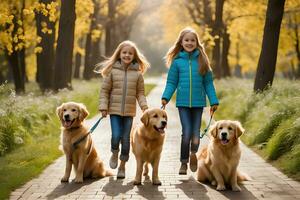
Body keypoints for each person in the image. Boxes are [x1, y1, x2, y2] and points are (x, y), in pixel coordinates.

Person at [161, 27, 219, 175]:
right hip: (183, 104)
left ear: (197, 42)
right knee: (186, 132)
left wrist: (213, 100)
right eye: (186, 40)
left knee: (195, 133)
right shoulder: (177, 62)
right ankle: (183, 162)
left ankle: (193, 154)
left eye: (192, 40)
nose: (189, 42)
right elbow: (171, 82)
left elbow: (208, 83)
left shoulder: (202, 60)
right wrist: (165, 97)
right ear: (181, 42)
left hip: (199, 103)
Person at [97, 40, 149, 178]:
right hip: (114, 111)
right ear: (119, 54)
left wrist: (144, 107)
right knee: (116, 136)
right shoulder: (112, 71)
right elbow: (104, 91)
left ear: (134, 56)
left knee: (126, 139)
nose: (127, 55)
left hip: (129, 112)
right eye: (124, 52)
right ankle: (114, 152)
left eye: (130, 53)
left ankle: (122, 166)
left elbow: (140, 93)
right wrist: (103, 107)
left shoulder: (138, 74)